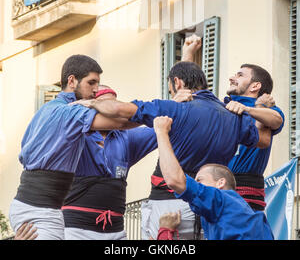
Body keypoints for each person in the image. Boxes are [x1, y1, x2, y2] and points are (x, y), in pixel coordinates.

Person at [74, 60, 271, 240]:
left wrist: (92, 102)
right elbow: (263, 140)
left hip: (169, 202)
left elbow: (119, 110)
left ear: (176, 83)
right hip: (207, 206)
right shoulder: (232, 116)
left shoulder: (172, 108)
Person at [8, 55, 136, 241]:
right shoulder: (69, 112)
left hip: (43, 209)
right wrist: (160, 111)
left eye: (97, 83)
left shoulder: (46, 110)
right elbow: (121, 122)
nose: (95, 89)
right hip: (38, 211)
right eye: (91, 82)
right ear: (72, 81)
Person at [181, 34, 285, 212]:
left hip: (247, 190)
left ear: (255, 86)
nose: (231, 77)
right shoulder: (222, 107)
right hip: (215, 184)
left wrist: (248, 110)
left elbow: (277, 120)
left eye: (240, 75)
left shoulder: (265, 108)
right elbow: (190, 87)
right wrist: (188, 53)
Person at [153, 115, 274, 240]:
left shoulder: (220, 199)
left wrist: (161, 132)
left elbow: (175, 180)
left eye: (200, 180)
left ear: (220, 183)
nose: (197, 184)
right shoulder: (235, 211)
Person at [63, 85, 157, 240]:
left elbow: (162, 125)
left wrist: (178, 105)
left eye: (115, 104)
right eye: (105, 104)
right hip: (77, 230)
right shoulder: (77, 135)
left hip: (115, 231)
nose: (112, 110)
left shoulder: (126, 138)